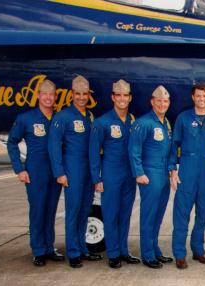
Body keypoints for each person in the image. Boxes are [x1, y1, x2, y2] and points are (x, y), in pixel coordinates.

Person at [7, 79, 64, 266]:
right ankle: (38, 250)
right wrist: (19, 169)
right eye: (44, 94)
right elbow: (12, 142)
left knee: (50, 211)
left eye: (51, 94)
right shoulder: (26, 118)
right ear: (38, 95)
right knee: (38, 211)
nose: (48, 97)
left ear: (55, 97)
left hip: (55, 172)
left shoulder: (58, 119)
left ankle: (49, 247)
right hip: (35, 172)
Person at [48, 75, 102, 268]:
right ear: (72, 94)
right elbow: (54, 146)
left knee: (84, 211)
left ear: (88, 95)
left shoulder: (89, 116)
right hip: (73, 171)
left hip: (88, 171)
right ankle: (73, 252)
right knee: (73, 211)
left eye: (84, 94)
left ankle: (83, 248)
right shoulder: (63, 117)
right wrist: (59, 173)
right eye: (77, 94)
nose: (81, 97)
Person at [169, 84, 205, 269]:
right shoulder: (183, 118)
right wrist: (172, 169)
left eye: (204, 96)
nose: (201, 99)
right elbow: (173, 144)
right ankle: (179, 254)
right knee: (182, 213)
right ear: (193, 97)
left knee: (202, 213)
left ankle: (198, 250)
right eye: (198, 96)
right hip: (187, 167)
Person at [89, 79, 140, 269]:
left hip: (129, 175)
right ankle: (112, 254)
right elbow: (93, 152)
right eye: (118, 95)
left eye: (125, 96)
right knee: (110, 214)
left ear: (130, 98)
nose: (122, 99)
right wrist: (97, 178)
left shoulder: (133, 122)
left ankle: (123, 251)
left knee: (125, 215)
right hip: (110, 174)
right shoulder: (102, 122)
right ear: (112, 97)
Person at [128, 85, 173, 269]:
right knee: (148, 215)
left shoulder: (165, 123)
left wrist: (171, 169)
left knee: (158, 215)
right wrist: (139, 173)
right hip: (150, 174)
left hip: (163, 175)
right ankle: (147, 254)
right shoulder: (143, 123)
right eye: (159, 101)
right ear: (152, 102)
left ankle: (155, 249)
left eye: (165, 101)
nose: (162, 104)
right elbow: (134, 150)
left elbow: (169, 149)